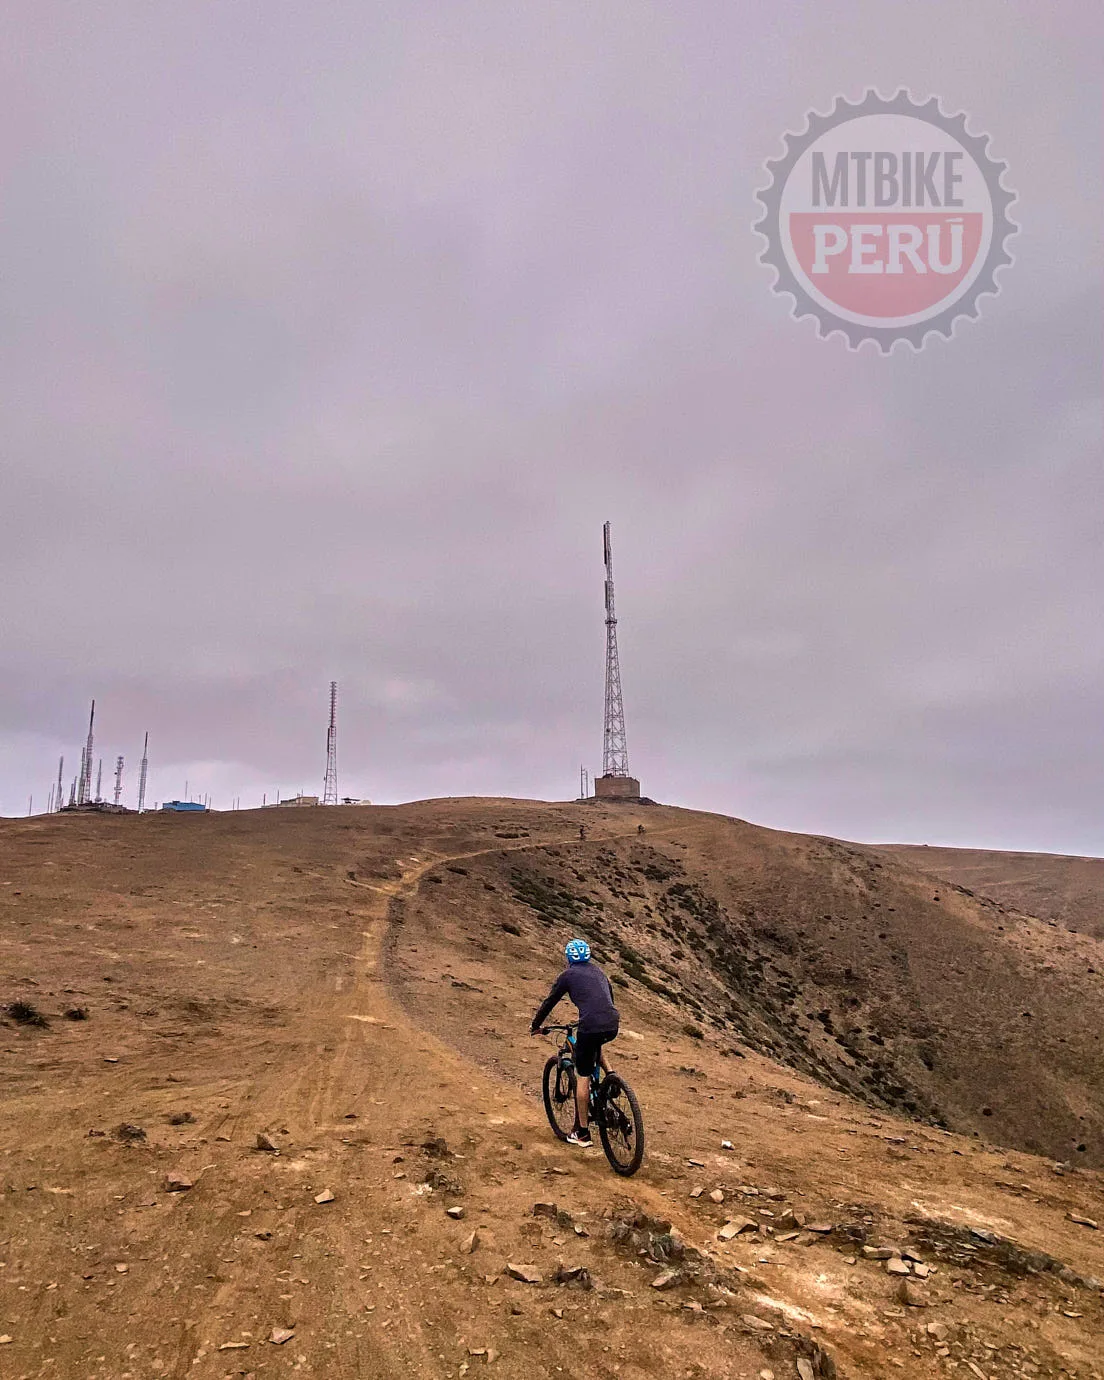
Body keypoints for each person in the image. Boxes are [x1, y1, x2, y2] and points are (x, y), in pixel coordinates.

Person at [530, 938, 619, 1147]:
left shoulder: (567, 975)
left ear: (569, 957)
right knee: (593, 1044)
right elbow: (608, 998)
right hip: (612, 1022)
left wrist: (536, 1025)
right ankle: (612, 1077)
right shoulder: (598, 971)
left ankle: (582, 1132)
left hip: (590, 1025)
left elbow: (550, 1001)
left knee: (583, 1075)